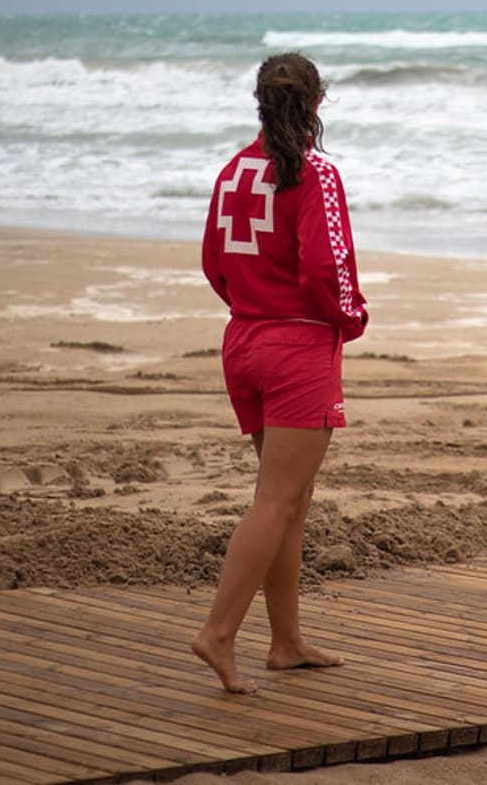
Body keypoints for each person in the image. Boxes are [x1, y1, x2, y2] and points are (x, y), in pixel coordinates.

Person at [192, 52, 368, 693]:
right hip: (297, 349)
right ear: (317, 102)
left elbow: (214, 261)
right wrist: (352, 318)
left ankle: (287, 642)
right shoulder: (315, 173)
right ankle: (217, 633)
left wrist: (253, 310)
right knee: (276, 501)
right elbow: (329, 268)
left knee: (290, 501)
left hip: (243, 341)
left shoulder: (233, 169)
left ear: (261, 102)